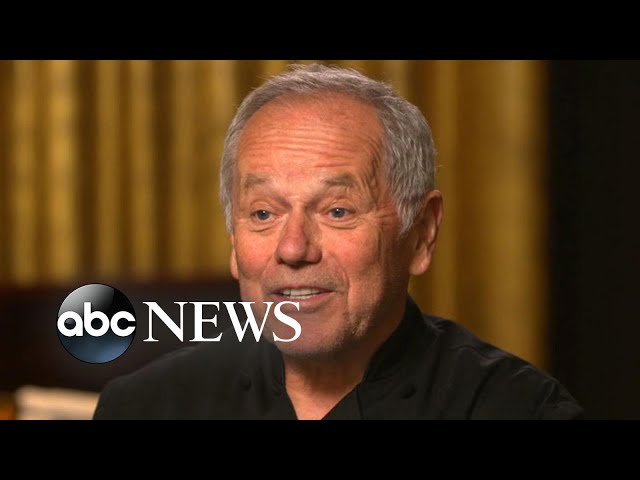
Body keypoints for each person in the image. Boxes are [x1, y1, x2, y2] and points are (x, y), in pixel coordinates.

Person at [93, 63, 583, 420]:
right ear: (233, 241)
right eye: (263, 214)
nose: (293, 249)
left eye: (337, 211)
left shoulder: (519, 410)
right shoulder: (146, 406)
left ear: (422, 233)